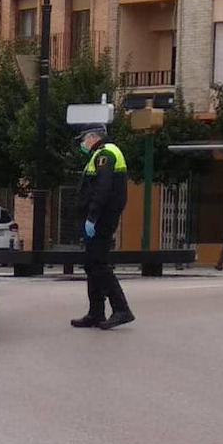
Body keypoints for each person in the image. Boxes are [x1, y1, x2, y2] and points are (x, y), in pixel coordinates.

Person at [71, 125, 135, 330]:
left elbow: (102, 188)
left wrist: (92, 216)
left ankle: (121, 309)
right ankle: (96, 313)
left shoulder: (106, 154)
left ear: (92, 137)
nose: (82, 144)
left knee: (98, 264)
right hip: (99, 219)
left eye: (83, 139)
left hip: (101, 219)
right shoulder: (102, 153)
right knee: (92, 265)